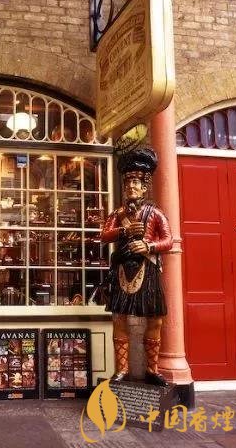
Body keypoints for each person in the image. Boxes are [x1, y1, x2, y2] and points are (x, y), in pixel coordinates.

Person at [101, 147, 172, 386]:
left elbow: (169, 241)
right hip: (123, 268)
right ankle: (121, 369)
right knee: (119, 319)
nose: (131, 187)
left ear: (144, 187)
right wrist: (123, 230)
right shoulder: (117, 214)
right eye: (128, 183)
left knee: (155, 320)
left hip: (148, 269)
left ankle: (152, 369)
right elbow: (104, 235)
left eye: (135, 183)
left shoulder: (155, 213)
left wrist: (149, 246)